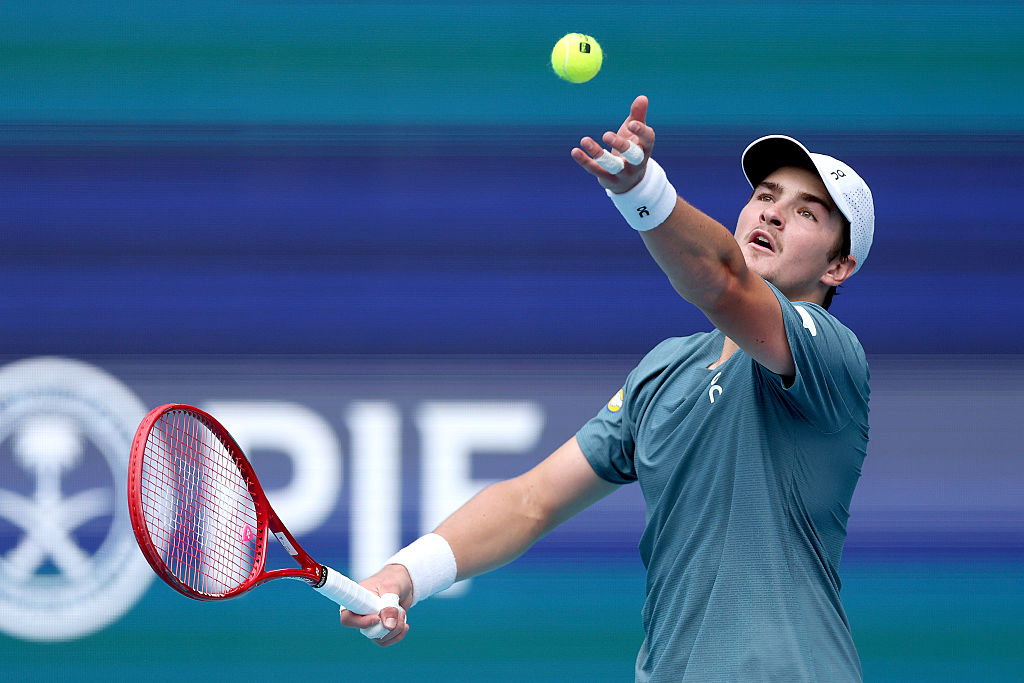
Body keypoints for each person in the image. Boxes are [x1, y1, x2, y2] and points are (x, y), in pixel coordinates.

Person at [339, 95, 874, 682]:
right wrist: (405, 574)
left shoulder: (831, 354)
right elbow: (531, 501)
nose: (772, 215)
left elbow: (723, 283)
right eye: (766, 197)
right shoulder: (666, 369)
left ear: (838, 268)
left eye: (806, 213)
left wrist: (642, 191)